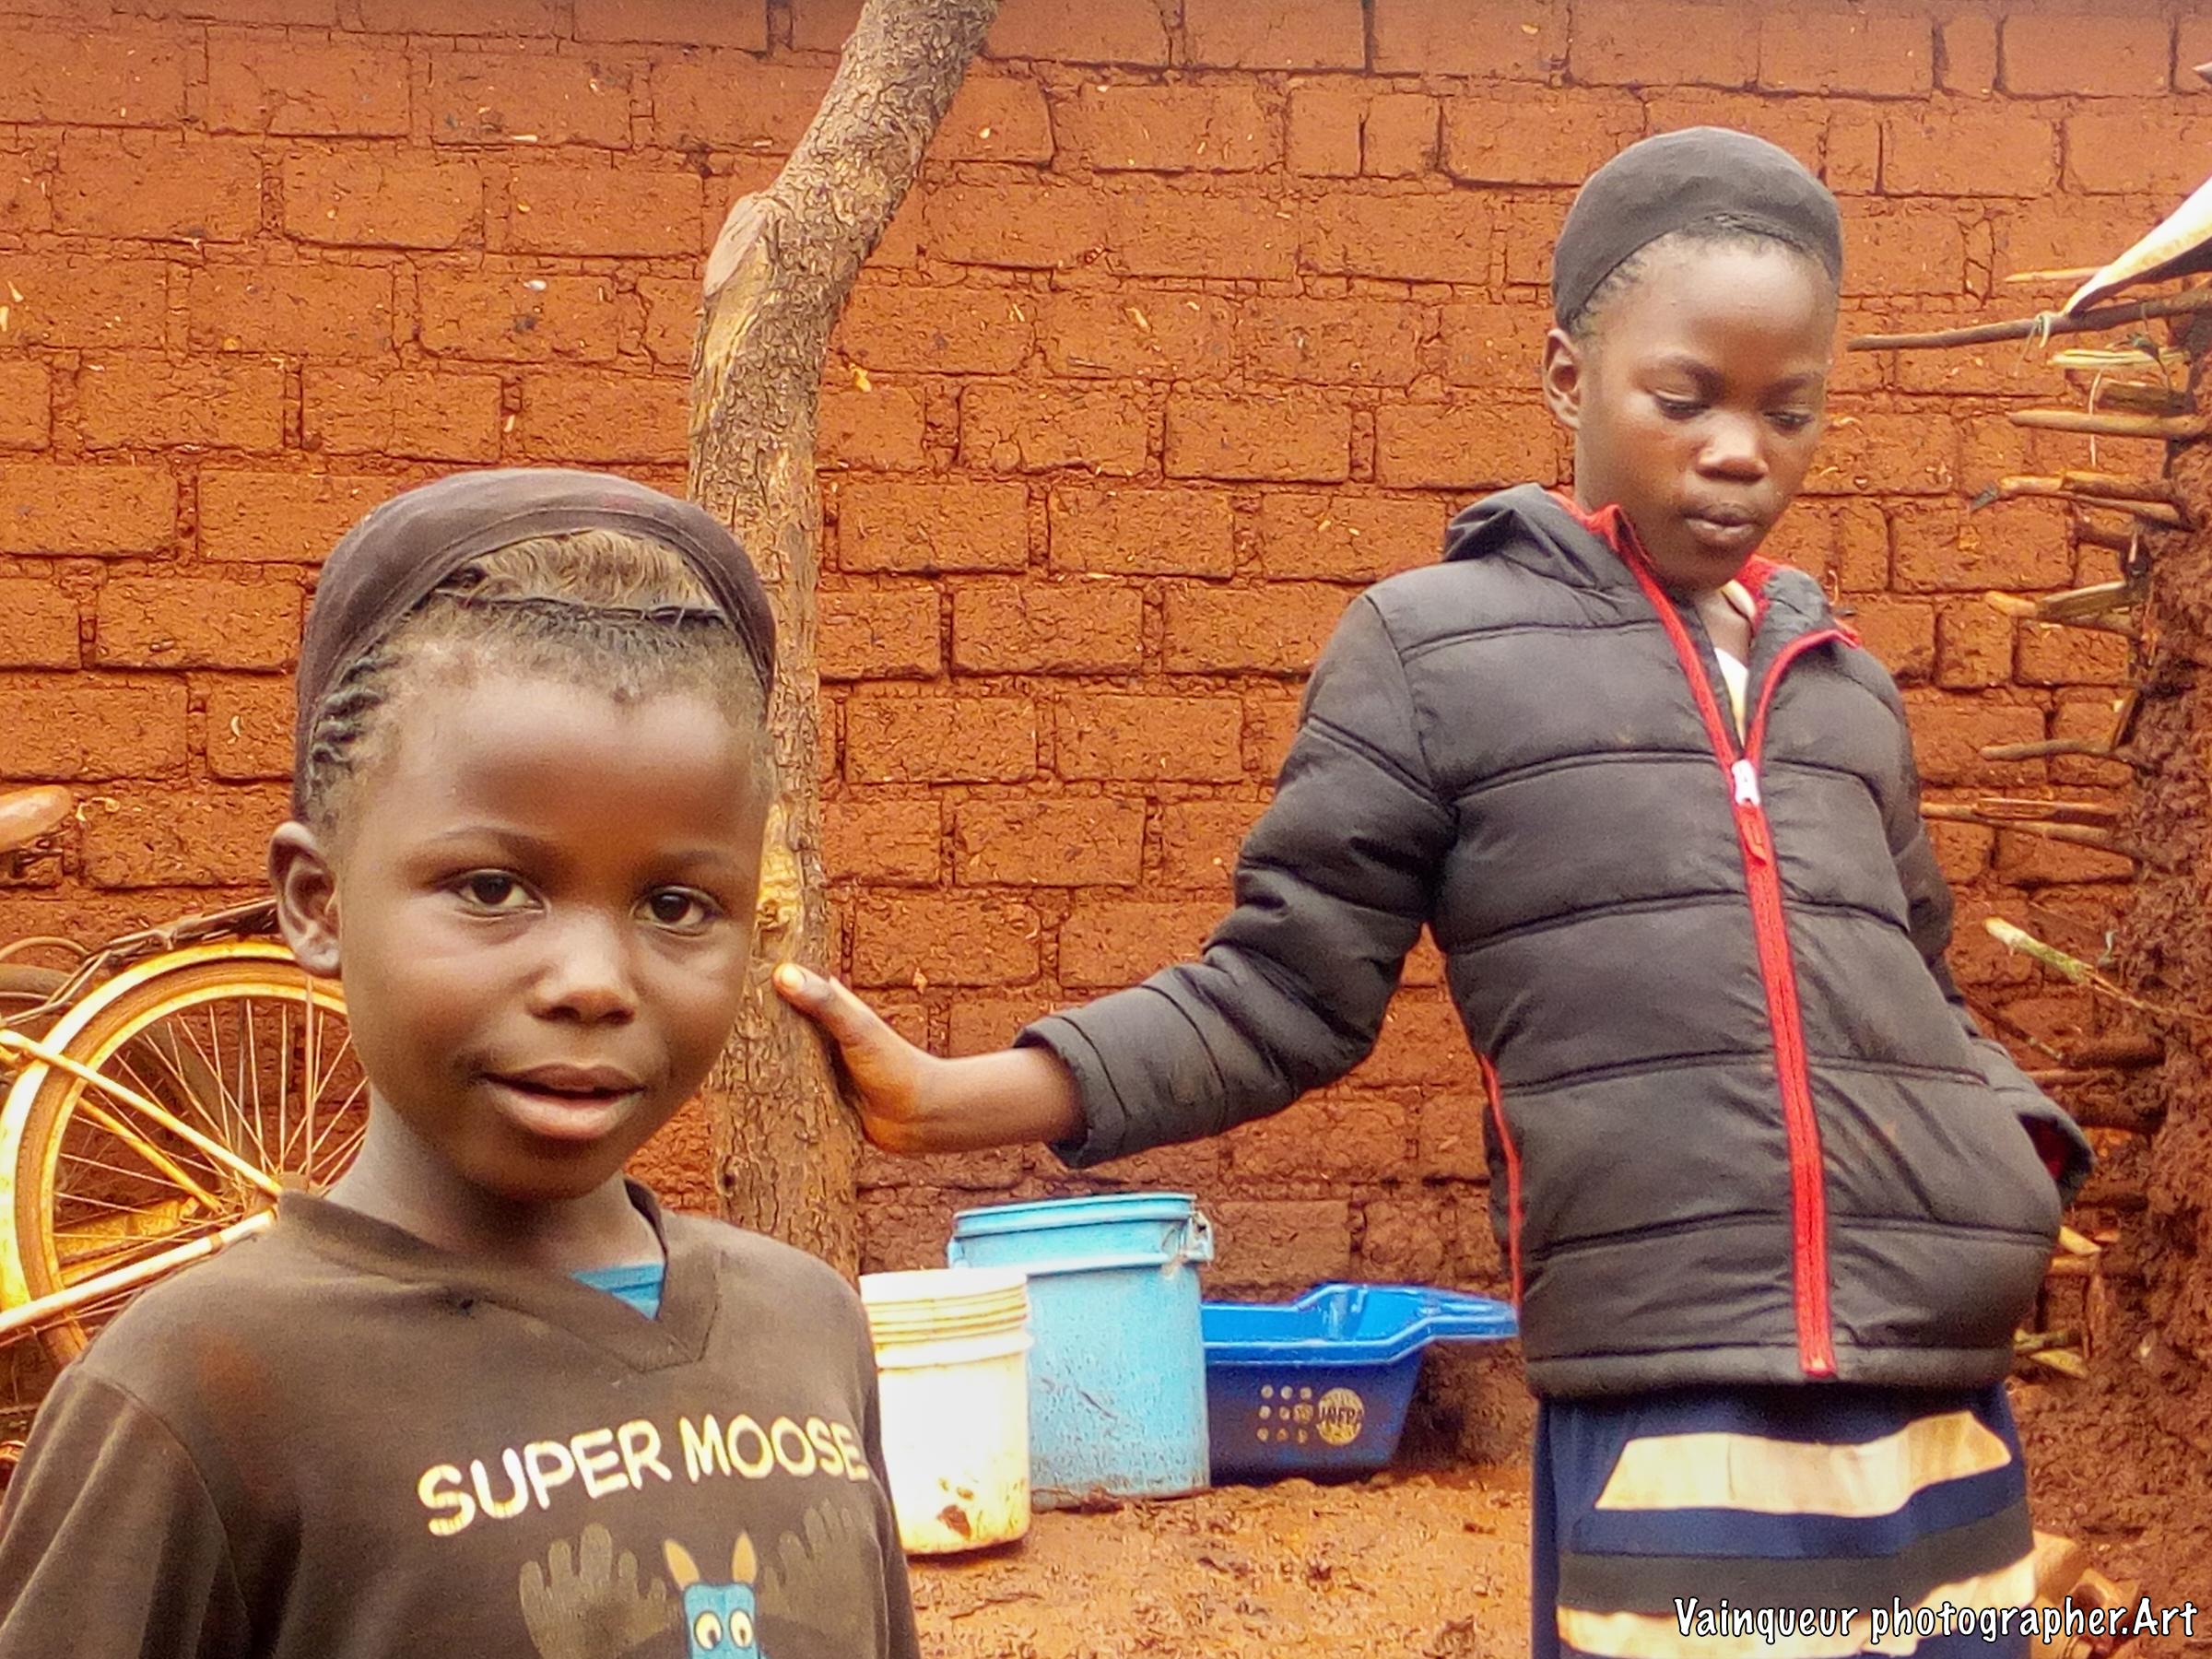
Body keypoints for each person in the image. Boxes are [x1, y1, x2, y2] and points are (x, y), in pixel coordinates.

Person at [777, 129, 2093, 1658]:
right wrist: (950, 1100)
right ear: (1568, 379)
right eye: (1687, 398)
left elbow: (1921, 988)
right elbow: (1279, 993)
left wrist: (2014, 1153)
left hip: (1938, 1383)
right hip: (1675, 1387)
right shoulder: (1433, 653)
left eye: (1787, 410)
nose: (1742, 449)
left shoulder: (1843, 686)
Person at [0, 470, 921, 1659]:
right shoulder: (199, 1394)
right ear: (317, 904)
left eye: (677, 905)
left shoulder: (806, 1326)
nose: (592, 981)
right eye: (493, 889)